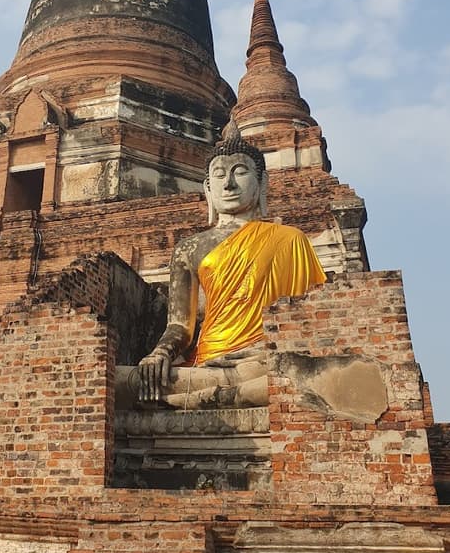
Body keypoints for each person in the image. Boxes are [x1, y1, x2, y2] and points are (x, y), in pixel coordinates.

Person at [137, 120, 325, 406]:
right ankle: (226, 394)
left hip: (265, 359)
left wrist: (270, 346)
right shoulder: (190, 248)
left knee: (300, 373)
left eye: (240, 172)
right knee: (127, 382)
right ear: (208, 187)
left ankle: (216, 396)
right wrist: (160, 353)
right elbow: (181, 327)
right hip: (209, 361)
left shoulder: (290, 239)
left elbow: (310, 320)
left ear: (262, 183)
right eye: (220, 175)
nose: (229, 183)